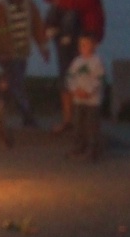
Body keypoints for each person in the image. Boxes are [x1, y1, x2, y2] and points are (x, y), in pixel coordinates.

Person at [0, 0, 50, 127]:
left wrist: (43, 47)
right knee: (16, 84)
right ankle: (27, 115)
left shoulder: (29, 6)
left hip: (21, 54)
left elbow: (37, 27)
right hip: (4, 54)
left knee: (8, 86)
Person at [45, 0, 105, 134]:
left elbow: (87, 5)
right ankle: (68, 120)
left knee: (84, 75)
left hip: (84, 33)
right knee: (66, 74)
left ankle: (83, 121)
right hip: (63, 33)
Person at [66, 32, 105, 162]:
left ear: (93, 45)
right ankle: (79, 146)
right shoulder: (77, 62)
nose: (83, 47)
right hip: (78, 99)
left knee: (91, 125)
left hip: (92, 101)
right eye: (81, 44)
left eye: (86, 44)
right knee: (78, 123)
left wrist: (88, 91)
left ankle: (93, 149)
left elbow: (99, 79)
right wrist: (74, 90)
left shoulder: (97, 62)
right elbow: (70, 77)